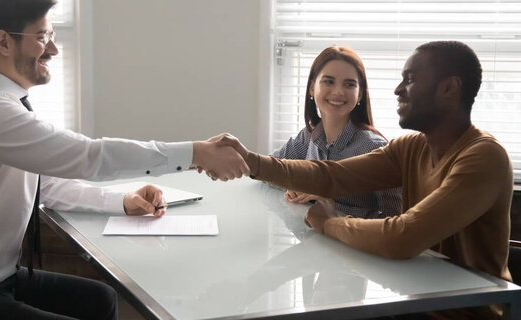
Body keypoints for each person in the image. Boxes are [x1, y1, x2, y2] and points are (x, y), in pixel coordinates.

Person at [0, 0, 249, 320]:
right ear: (4, 42)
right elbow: (88, 156)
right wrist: (196, 153)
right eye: (42, 37)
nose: (53, 49)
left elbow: (42, 185)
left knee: (101, 299)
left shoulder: (2, 103)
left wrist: (122, 201)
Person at [217, 41, 513, 320]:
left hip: (462, 312)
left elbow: (402, 236)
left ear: (449, 88)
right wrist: (250, 161)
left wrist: (327, 223)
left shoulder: (484, 157)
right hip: (414, 298)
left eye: (409, 79)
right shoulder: (411, 147)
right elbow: (331, 175)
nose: (398, 89)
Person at [272, 46, 400, 218]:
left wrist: (332, 204)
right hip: (314, 240)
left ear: (360, 93)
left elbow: (395, 221)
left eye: (349, 84)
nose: (339, 92)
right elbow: (271, 172)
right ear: (312, 88)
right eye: (329, 81)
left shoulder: (375, 148)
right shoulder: (309, 136)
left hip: (355, 244)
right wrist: (296, 186)